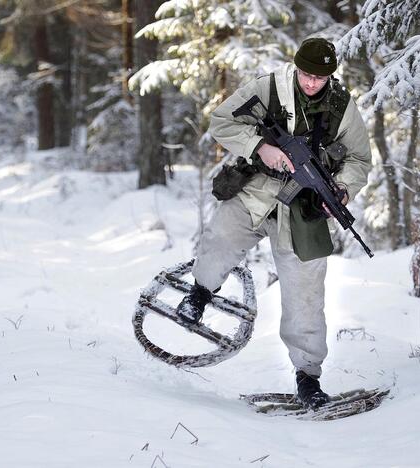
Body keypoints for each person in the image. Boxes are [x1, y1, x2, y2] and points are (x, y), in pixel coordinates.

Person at [176, 37, 372, 409]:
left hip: (305, 208)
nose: (312, 82)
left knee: (306, 293)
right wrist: (259, 147)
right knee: (219, 240)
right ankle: (199, 294)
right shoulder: (269, 89)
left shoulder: (342, 106)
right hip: (256, 189)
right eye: (307, 74)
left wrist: (343, 190)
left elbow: (360, 159)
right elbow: (221, 121)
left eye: (321, 77)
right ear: (296, 68)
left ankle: (307, 377)